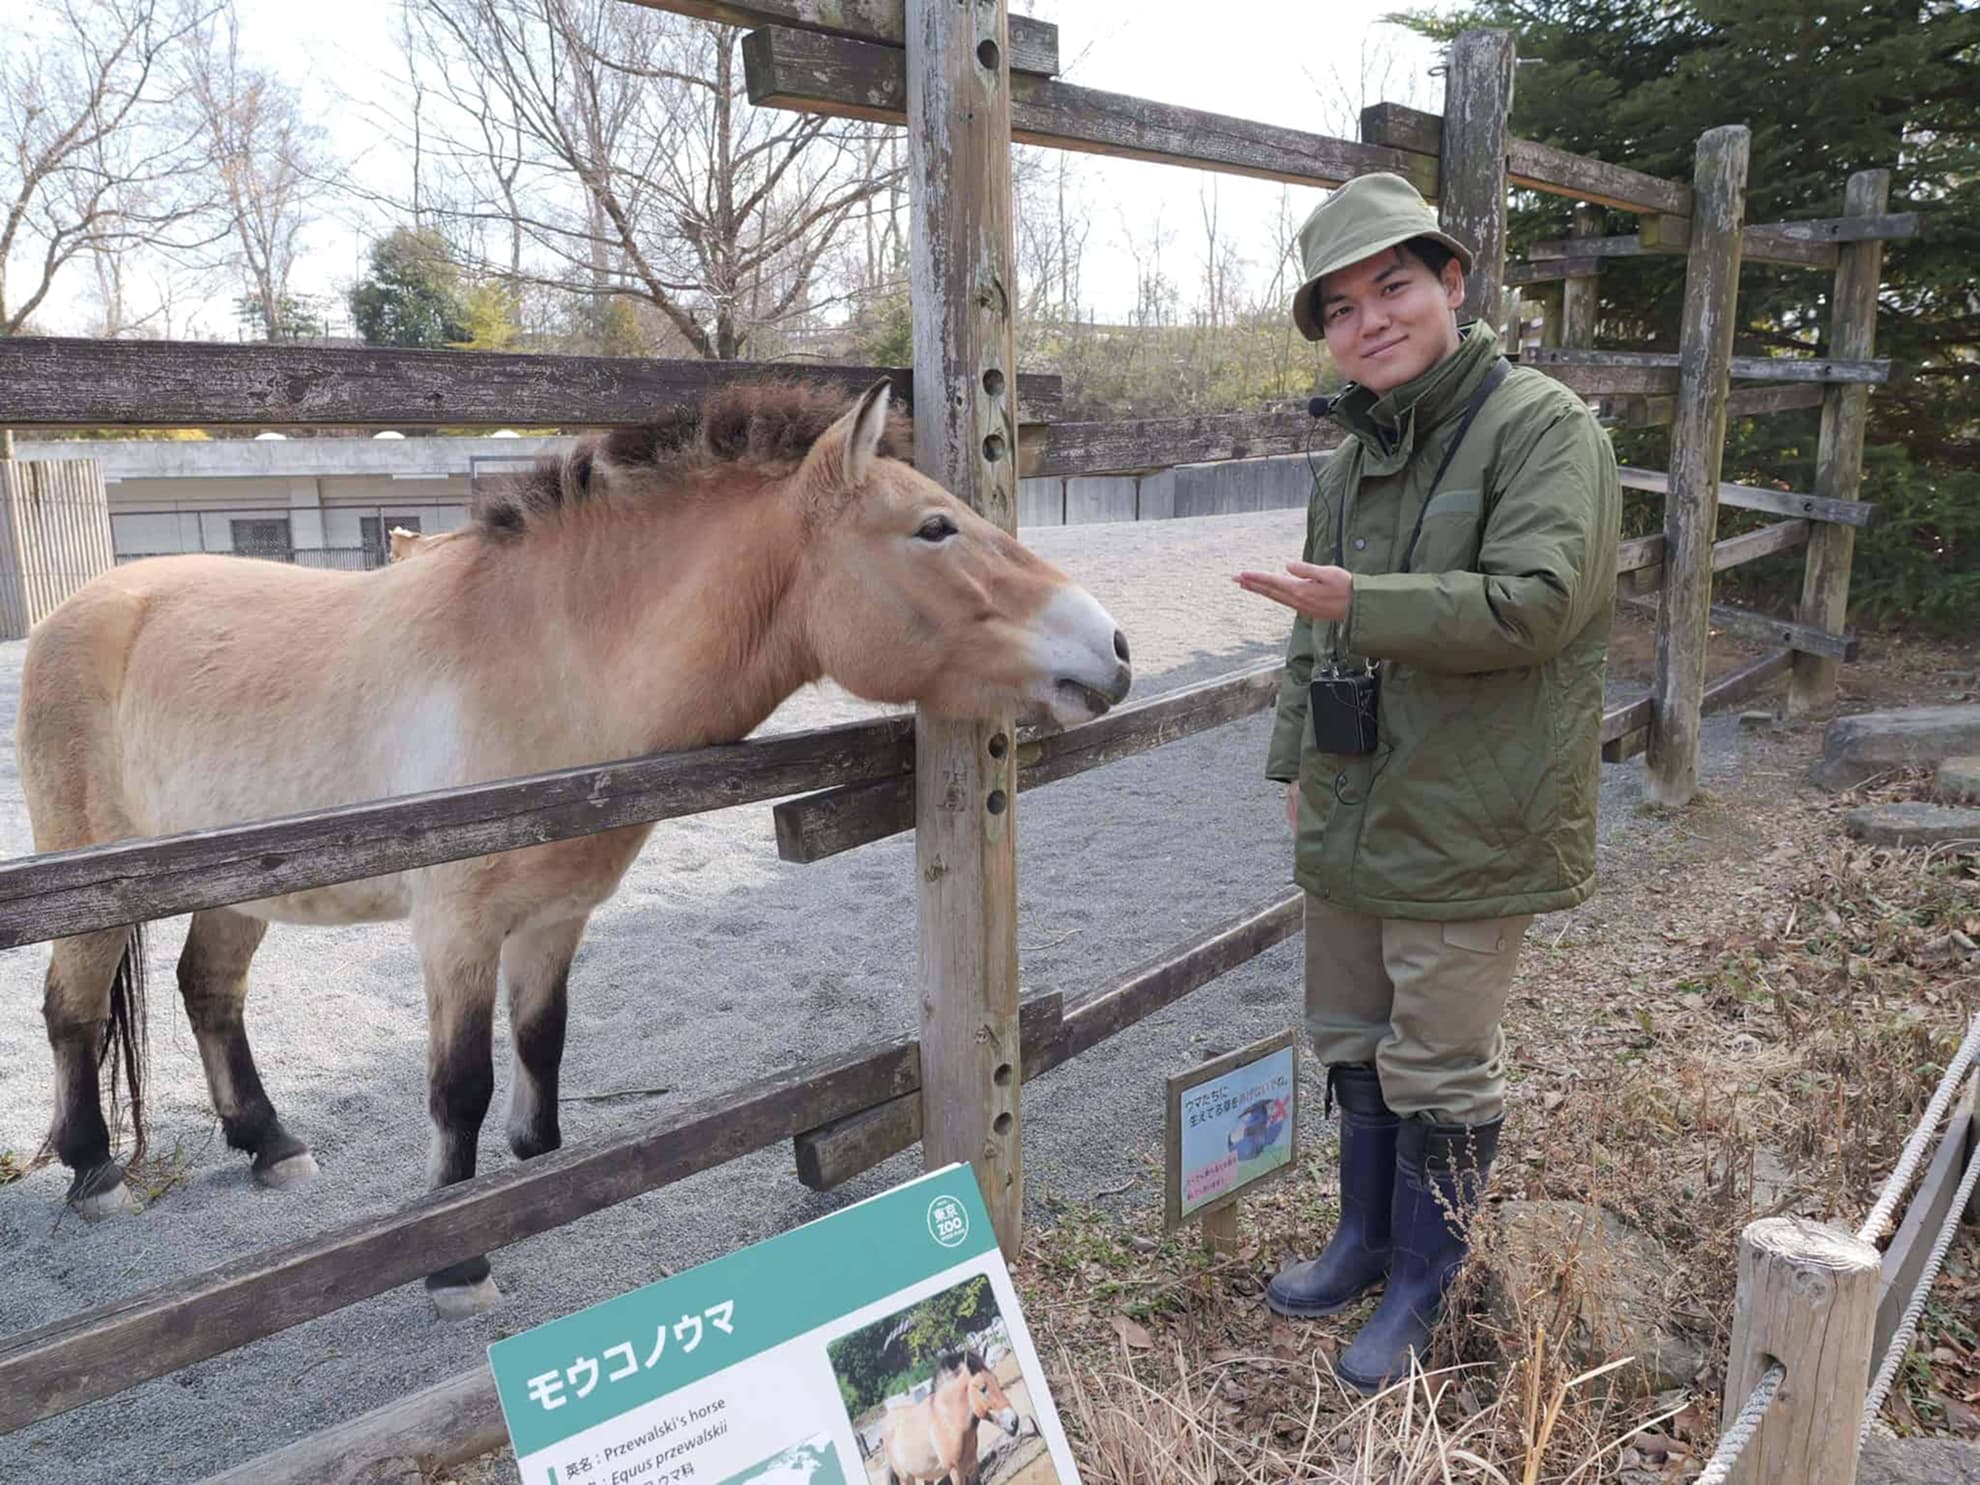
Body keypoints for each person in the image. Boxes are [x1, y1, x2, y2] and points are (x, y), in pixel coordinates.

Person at [1233, 172, 1621, 1393]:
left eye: (1393, 285)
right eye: (1340, 307)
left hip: (1476, 802)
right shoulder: (1352, 457)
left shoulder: (1544, 425)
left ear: (1454, 283)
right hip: (1356, 797)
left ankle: (1424, 1281)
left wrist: (1365, 605)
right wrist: (1294, 757)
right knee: (1351, 1031)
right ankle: (1360, 1240)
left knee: (1440, 1058)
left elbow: (1542, 603)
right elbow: (1312, 638)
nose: (1371, 321)